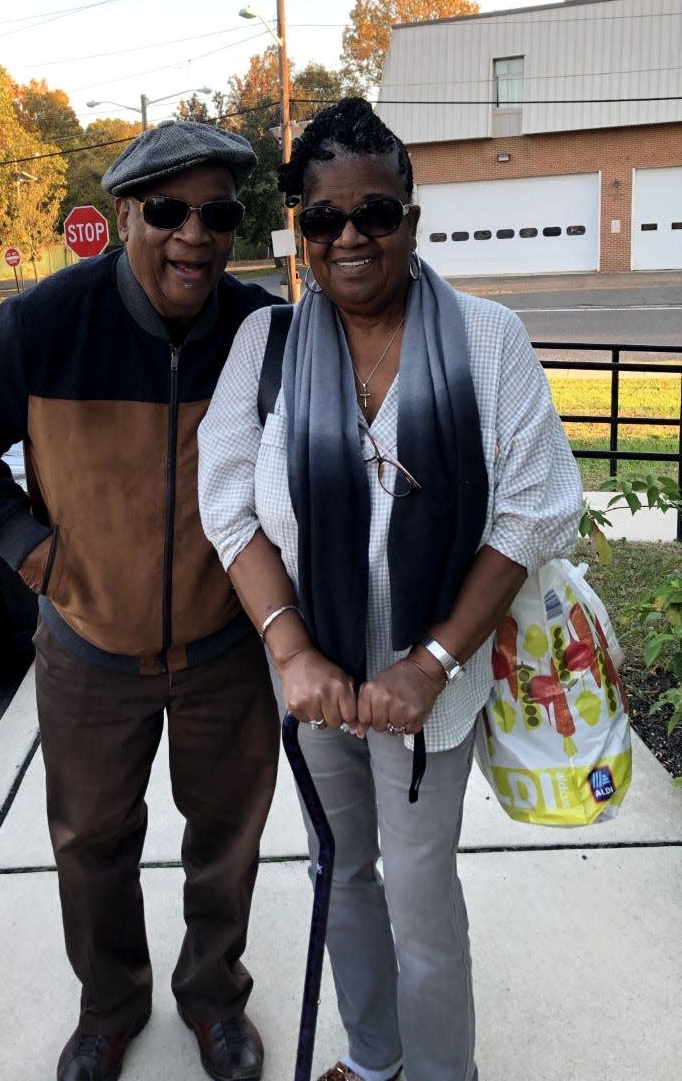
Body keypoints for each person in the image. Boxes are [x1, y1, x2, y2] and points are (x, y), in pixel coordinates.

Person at [197, 97, 583, 1081]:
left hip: (432, 694)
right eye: (323, 218)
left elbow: (535, 510)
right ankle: (374, 1057)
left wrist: (434, 660)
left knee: (418, 894)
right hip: (317, 679)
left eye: (374, 212)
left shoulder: (489, 339)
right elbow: (229, 507)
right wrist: (291, 648)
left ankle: (442, 1071)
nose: (350, 236)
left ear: (412, 218)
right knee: (343, 873)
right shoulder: (269, 347)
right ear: (301, 232)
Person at [0, 120, 282, 1081]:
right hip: (86, 649)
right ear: (126, 214)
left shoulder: (261, 329)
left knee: (227, 843)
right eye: (168, 211)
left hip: (224, 648)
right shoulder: (44, 324)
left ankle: (213, 1002)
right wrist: (32, 555)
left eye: (214, 214)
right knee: (90, 846)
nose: (193, 236)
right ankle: (108, 1007)